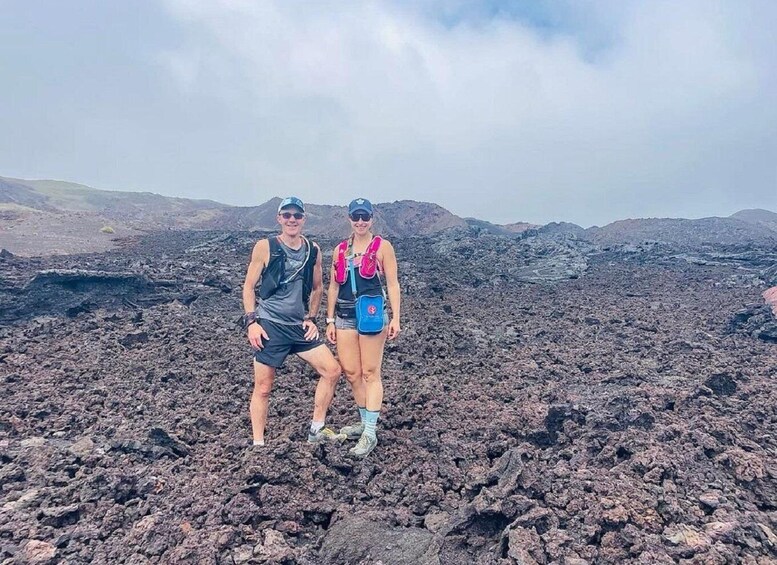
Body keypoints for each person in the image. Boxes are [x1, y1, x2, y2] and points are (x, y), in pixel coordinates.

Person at [242, 196, 345, 446]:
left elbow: (319, 287)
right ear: (279, 218)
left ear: (303, 219)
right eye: (286, 215)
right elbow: (248, 286)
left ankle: (316, 429)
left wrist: (311, 318)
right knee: (264, 387)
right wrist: (251, 322)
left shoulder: (313, 250)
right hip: (270, 325)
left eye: (297, 216)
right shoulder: (264, 247)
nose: (292, 220)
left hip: (299, 327)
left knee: (332, 370)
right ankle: (258, 445)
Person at [325, 198, 401, 457]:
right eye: (355, 217)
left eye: (364, 217)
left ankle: (370, 432)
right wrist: (330, 320)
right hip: (345, 316)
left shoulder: (383, 247)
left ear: (371, 218)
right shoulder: (340, 250)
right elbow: (333, 286)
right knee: (352, 373)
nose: (360, 222)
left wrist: (396, 318)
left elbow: (392, 284)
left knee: (371, 372)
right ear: (349, 218)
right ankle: (363, 419)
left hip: (371, 316)